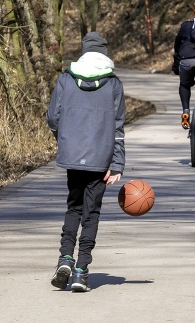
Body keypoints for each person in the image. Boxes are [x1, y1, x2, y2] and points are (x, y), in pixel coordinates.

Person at [46, 31, 125, 292]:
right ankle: (81, 271)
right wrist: (117, 164)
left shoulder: (66, 79)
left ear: (83, 50)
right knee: (91, 214)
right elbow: (118, 126)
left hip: (72, 155)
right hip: (100, 159)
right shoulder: (113, 84)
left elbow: (53, 119)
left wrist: (66, 139)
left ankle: (65, 258)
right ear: (104, 52)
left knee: (74, 208)